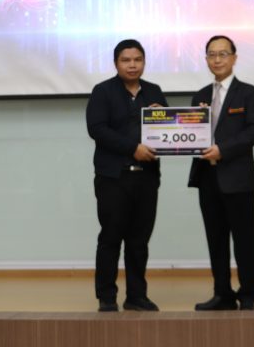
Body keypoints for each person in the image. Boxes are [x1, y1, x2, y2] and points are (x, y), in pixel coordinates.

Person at [86, 39, 167, 312]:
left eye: (138, 59)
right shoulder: (102, 91)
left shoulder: (154, 91)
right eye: (126, 60)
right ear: (116, 63)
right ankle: (107, 297)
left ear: (144, 62)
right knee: (110, 238)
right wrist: (133, 148)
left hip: (147, 178)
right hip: (113, 178)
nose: (132, 65)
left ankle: (136, 296)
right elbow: (97, 129)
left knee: (139, 241)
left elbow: (168, 128)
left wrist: (190, 125)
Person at [189, 35, 254, 311]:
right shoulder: (200, 96)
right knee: (216, 239)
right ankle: (222, 293)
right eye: (212, 54)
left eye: (223, 54)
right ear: (206, 59)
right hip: (207, 177)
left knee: (245, 239)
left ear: (234, 57)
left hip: (238, 178)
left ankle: (248, 294)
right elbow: (189, 133)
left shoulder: (249, 94)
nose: (217, 59)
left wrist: (222, 150)